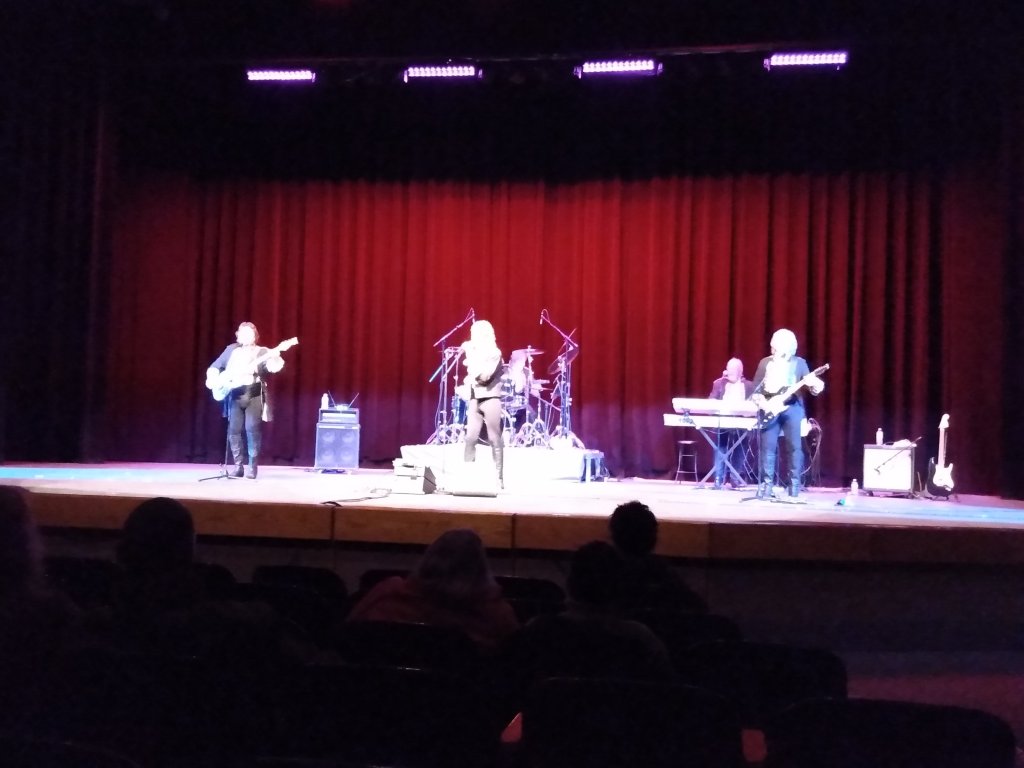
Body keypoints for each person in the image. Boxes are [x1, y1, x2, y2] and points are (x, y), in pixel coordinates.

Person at [345, 528, 520, 651]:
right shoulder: (495, 615)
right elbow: (514, 661)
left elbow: (347, 633)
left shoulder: (388, 594)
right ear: (481, 569)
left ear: (428, 559)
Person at [750, 328, 825, 500]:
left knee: (794, 448)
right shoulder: (765, 363)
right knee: (767, 448)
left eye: (775, 347)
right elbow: (755, 389)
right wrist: (764, 404)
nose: (772, 350)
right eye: (772, 346)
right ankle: (766, 487)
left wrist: (816, 385)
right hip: (769, 408)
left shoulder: (799, 363)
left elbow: (812, 388)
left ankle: (794, 488)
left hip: (793, 408)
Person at [205, 322, 285, 479]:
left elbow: (274, 367)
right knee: (234, 431)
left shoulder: (263, 351)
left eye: (250, 333)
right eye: (243, 333)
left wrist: (275, 356)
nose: (246, 336)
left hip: (253, 393)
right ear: (238, 336)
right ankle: (238, 466)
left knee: (252, 429)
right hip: (235, 393)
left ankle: (252, 467)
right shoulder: (231, 349)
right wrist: (213, 379)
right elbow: (215, 366)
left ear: (255, 336)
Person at [608, 501, 707, 615]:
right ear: (653, 538)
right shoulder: (662, 572)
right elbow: (698, 607)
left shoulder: (605, 572)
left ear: (613, 536)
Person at [458, 320, 505, 488]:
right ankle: (467, 475)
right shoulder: (475, 353)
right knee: (470, 437)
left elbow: (484, 377)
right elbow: (471, 377)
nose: (471, 337)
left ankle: (498, 478)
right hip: (474, 398)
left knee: (494, 437)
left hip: (490, 397)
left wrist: (470, 356)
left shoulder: (494, 353)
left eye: (474, 333)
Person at [708, 357, 755, 490]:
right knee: (720, 446)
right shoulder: (719, 383)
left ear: (741, 371)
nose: (730, 372)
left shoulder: (749, 386)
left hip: (741, 421)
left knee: (741, 445)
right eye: (729, 369)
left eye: (734, 370)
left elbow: (753, 404)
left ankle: (735, 478)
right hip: (723, 420)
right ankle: (718, 478)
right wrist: (713, 403)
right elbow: (711, 400)